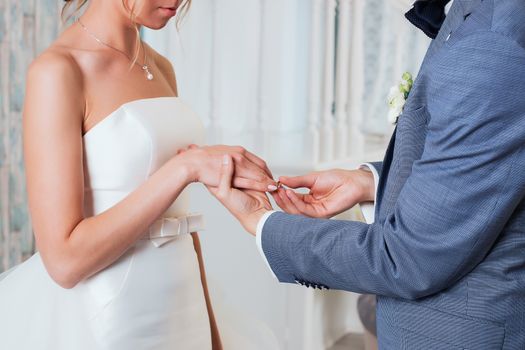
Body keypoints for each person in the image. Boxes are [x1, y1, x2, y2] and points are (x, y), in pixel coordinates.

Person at [209, 0, 525, 348]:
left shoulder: (494, 43)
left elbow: (408, 258)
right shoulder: (478, 14)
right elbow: (485, 167)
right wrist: (371, 182)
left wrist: (263, 222)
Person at [0, 0, 278, 349]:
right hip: (110, 320)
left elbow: (181, 218)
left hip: (182, 306)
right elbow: (64, 261)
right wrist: (184, 168)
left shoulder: (160, 67)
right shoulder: (58, 71)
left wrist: (212, 334)